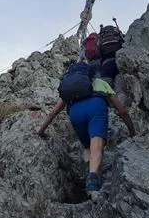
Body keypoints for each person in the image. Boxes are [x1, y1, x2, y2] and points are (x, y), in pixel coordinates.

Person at [36, 61, 136, 193]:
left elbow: (52, 113)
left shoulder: (71, 90)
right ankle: (93, 177)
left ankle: (87, 173)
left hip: (75, 114)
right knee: (97, 146)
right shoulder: (101, 83)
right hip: (96, 108)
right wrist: (132, 131)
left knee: (87, 146)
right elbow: (122, 111)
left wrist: (40, 131)